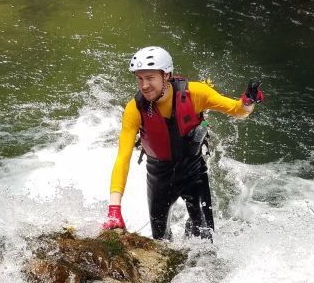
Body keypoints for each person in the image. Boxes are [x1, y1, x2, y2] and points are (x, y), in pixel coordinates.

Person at [102, 46, 264, 241]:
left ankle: (193, 231)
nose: (144, 85)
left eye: (150, 78)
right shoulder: (134, 110)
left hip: (193, 171)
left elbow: (237, 111)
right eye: (139, 78)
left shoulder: (196, 93)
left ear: (166, 75)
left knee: (205, 238)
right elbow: (122, 158)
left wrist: (248, 102)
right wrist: (114, 209)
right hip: (159, 176)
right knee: (160, 241)